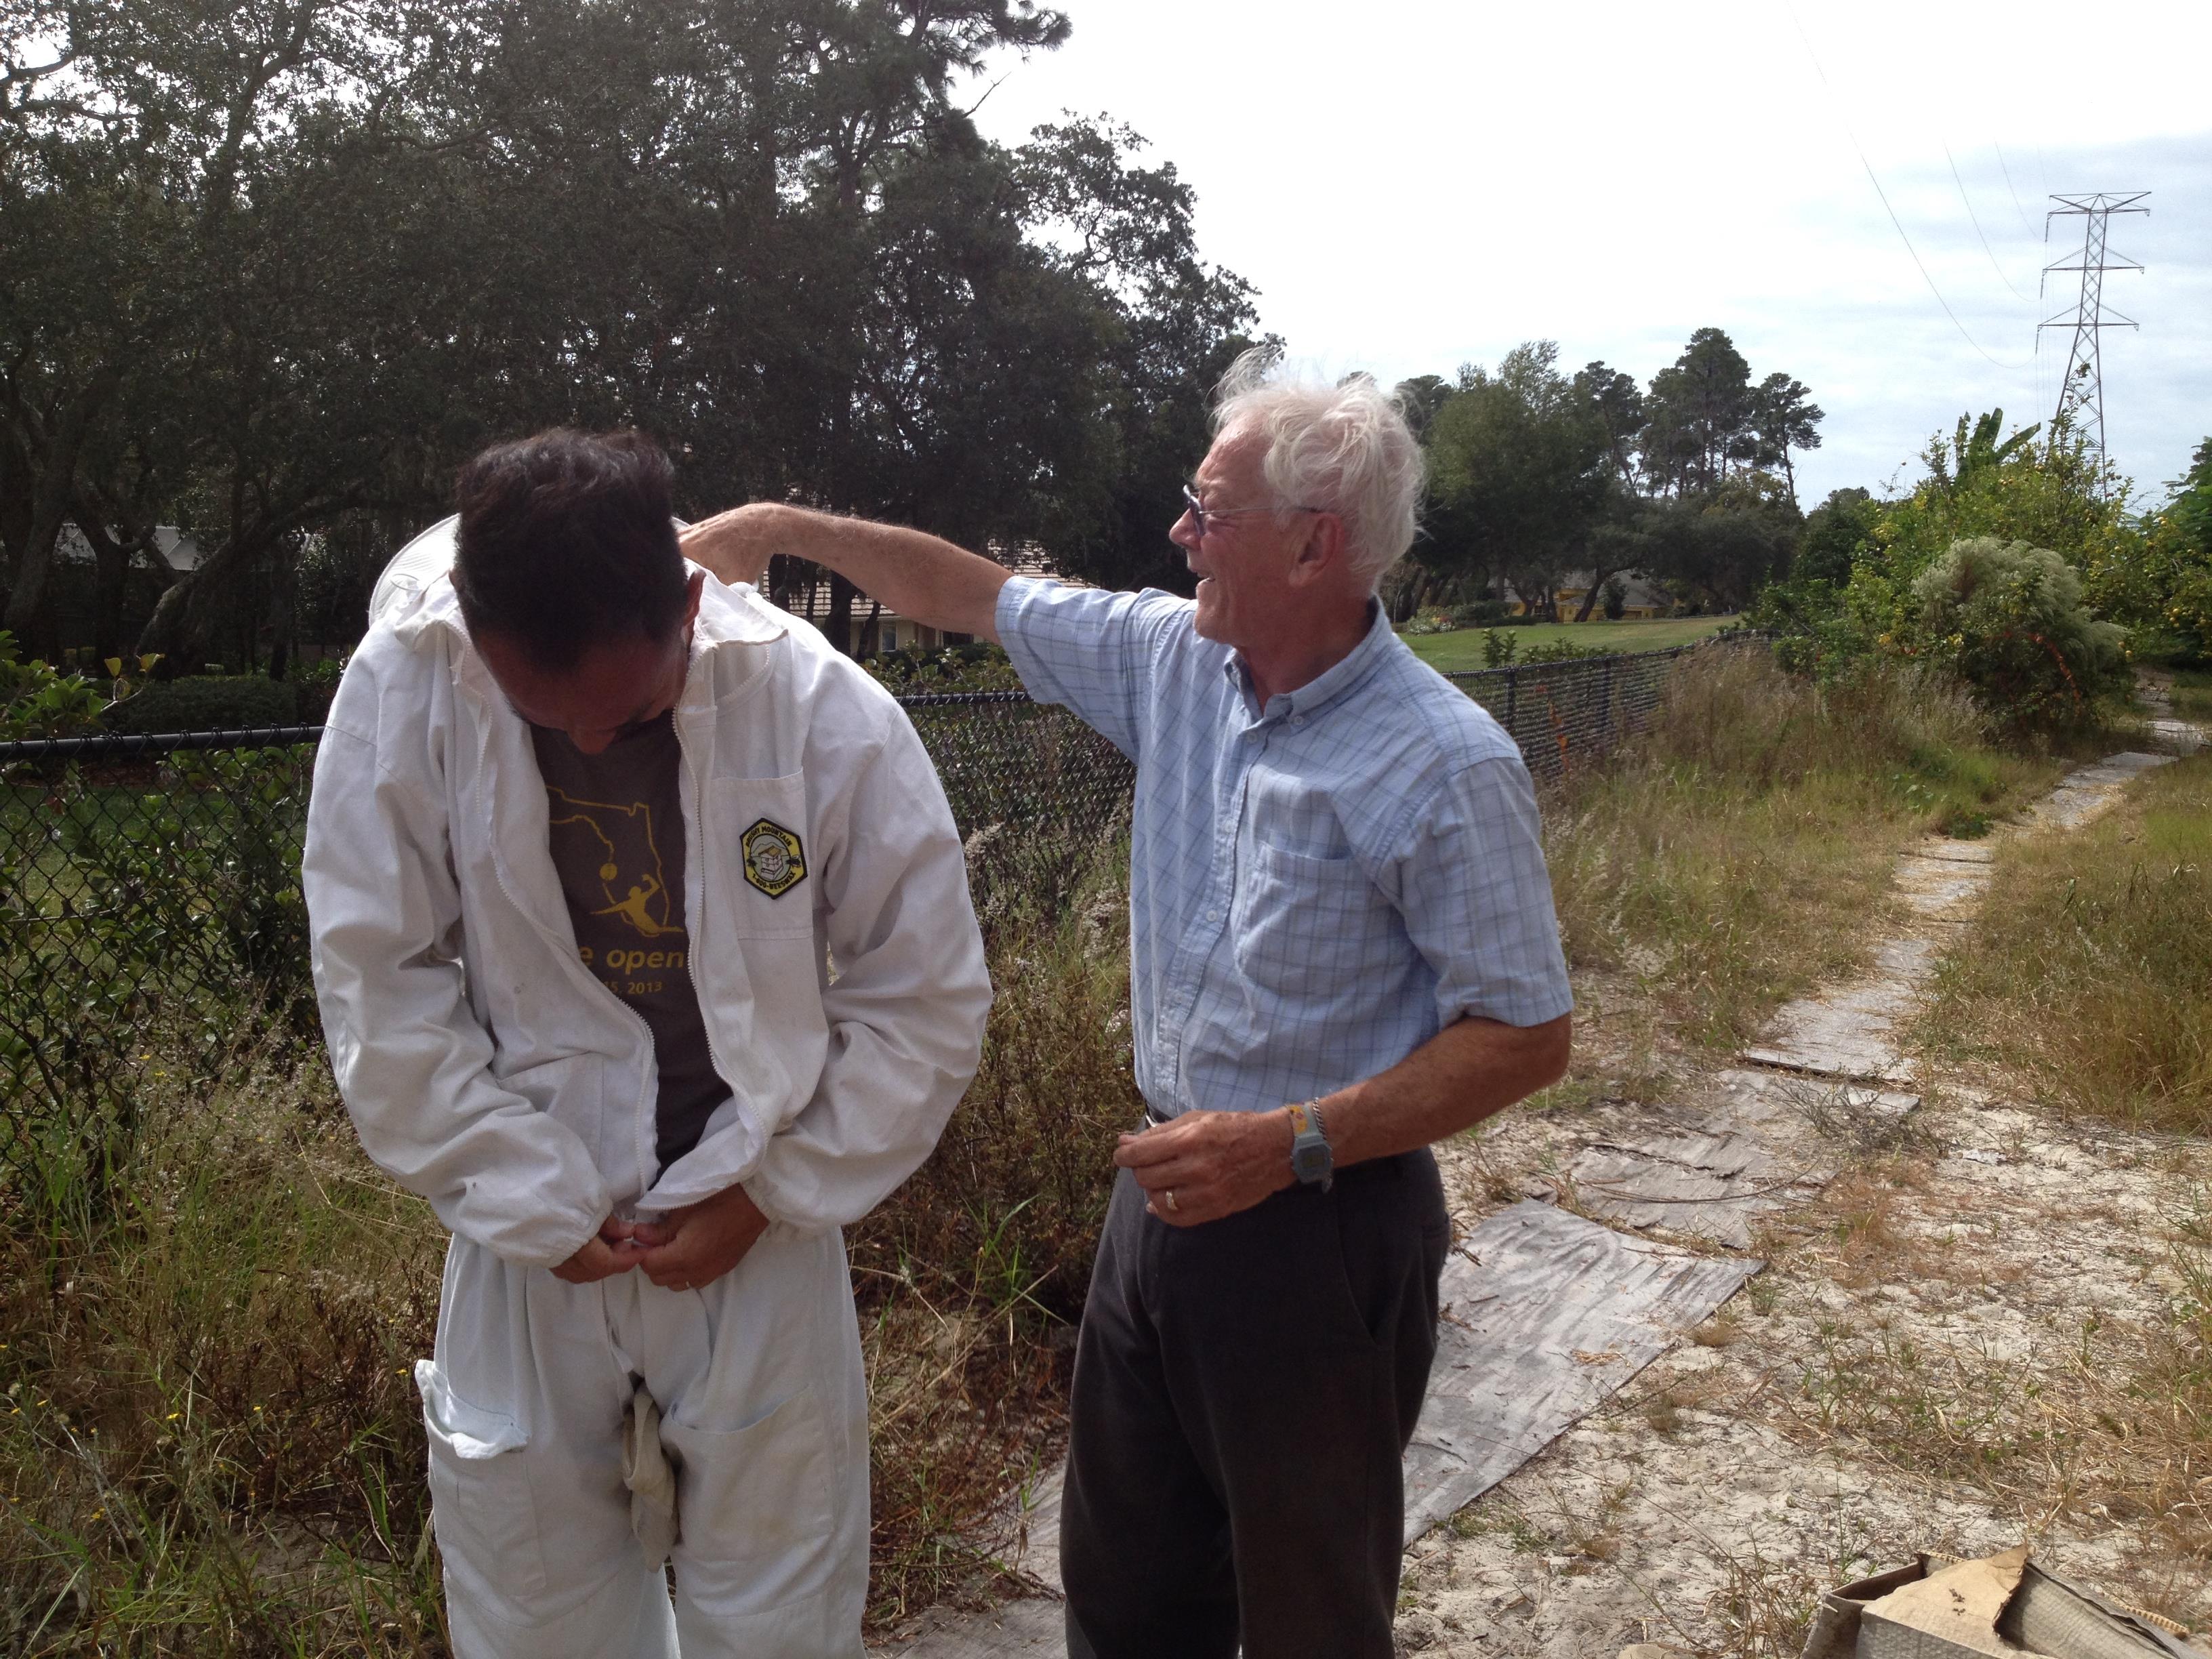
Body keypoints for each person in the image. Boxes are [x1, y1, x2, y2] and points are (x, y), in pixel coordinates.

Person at [681, 352, 1575, 1658]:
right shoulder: (1174, 661)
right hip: (1158, 1195)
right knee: (1125, 1586)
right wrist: (780, 532)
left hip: (1320, 1228)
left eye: (1209, 513)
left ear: (1315, 544)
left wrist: (1290, 1142)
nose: (1179, 535)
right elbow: (968, 592)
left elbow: (1526, 1036)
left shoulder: (1442, 763)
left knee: (1307, 1610)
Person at [303, 429, 990, 1658]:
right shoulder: (410, 682)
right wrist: (525, 1195)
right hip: (527, 1239)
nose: (585, 744)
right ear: (471, 624)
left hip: (752, 1221)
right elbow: (376, 972)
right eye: (539, 712)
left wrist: (773, 1191)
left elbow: (924, 993)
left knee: (777, 1615)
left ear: (688, 601)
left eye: (627, 709)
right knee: (531, 1616)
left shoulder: (819, 711)